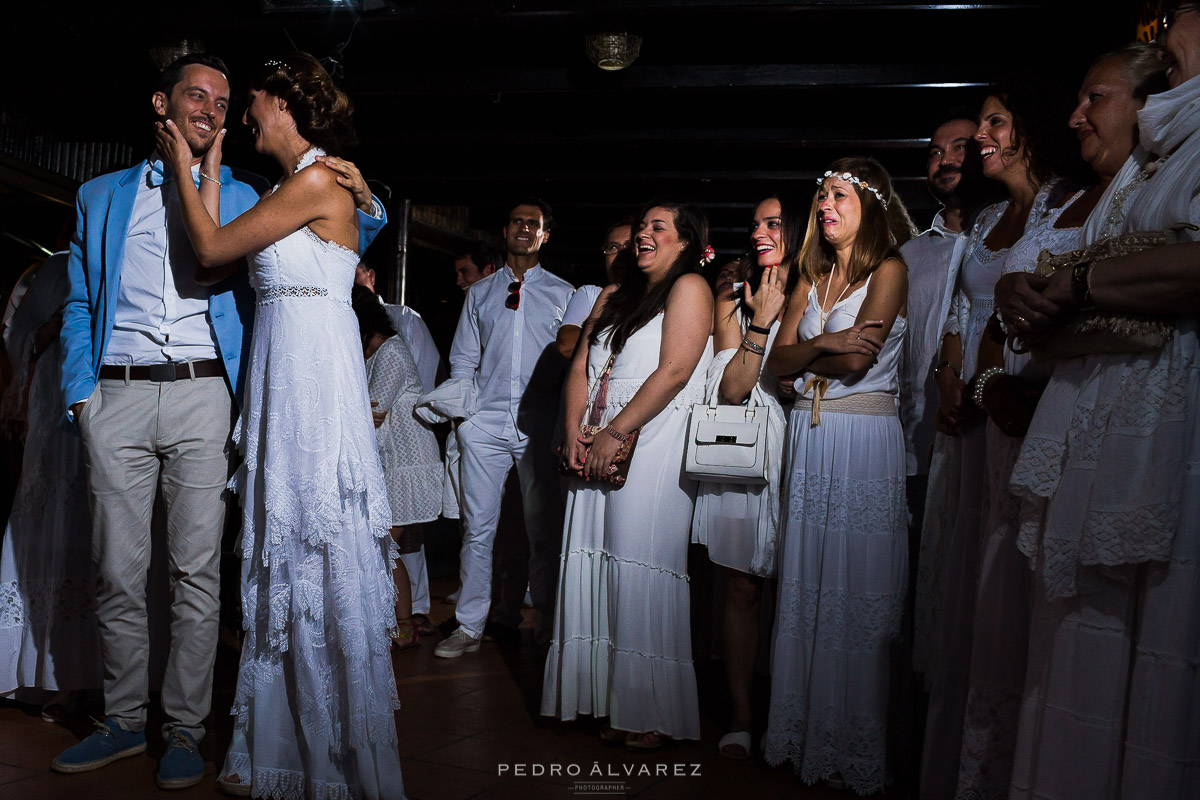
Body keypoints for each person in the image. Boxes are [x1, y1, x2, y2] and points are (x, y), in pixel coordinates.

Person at [52, 52, 381, 791]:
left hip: (207, 395)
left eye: (226, 101)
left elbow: (336, 231)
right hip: (119, 396)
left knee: (198, 571)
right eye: (196, 96)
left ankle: (183, 730)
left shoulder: (242, 189)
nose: (213, 110)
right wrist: (83, 397)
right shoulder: (99, 195)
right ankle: (122, 719)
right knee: (116, 570)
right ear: (160, 103)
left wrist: (372, 196)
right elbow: (79, 300)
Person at [150, 51, 403, 798]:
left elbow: (209, 250)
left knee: (313, 554)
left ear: (282, 103)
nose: (242, 115)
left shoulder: (320, 180)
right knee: (286, 559)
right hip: (285, 378)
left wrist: (192, 165)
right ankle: (279, 747)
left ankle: (327, 757)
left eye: (251, 102)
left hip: (312, 390)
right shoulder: (310, 181)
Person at [996, 22, 1200, 798]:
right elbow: (1085, 273)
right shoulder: (1137, 174)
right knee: (1076, 649)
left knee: (1150, 650)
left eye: (1095, 98)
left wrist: (1077, 284)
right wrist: (1028, 295)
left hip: (1166, 426)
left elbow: (1128, 275)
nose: (1077, 114)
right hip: (1098, 419)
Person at [916, 83, 1084, 799]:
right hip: (971, 426)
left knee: (1014, 580)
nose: (980, 136)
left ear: (1028, 131)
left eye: (994, 123)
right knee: (970, 589)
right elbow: (961, 309)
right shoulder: (986, 217)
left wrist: (991, 387)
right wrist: (952, 378)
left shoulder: (1074, 207)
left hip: (1025, 412)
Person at [762, 157, 914, 794]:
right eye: (821, 196)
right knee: (809, 582)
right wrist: (828, 343)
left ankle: (853, 742)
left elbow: (863, 360)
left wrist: (815, 351)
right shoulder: (810, 275)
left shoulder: (891, 269)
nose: (825, 207)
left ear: (870, 206)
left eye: (839, 196)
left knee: (857, 583)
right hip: (813, 438)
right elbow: (778, 363)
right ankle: (802, 734)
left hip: (864, 438)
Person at [542, 199, 714, 751]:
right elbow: (582, 364)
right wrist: (573, 429)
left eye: (657, 228)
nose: (643, 235)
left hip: (652, 438)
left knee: (638, 560)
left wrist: (616, 432)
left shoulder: (690, 288)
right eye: (640, 227)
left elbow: (676, 370)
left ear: (685, 240)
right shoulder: (615, 296)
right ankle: (598, 697)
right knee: (595, 560)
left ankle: (649, 710)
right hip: (594, 437)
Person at [434, 198, 575, 657]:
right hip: (486, 423)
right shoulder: (481, 293)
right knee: (478, 529)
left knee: (541, 530)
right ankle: (469, 625)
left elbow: (574, 364)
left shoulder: (564, 293)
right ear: (505, 230)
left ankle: (550, 624)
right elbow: (463, 359)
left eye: (533, 223)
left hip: (538, 424)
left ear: (545, 235)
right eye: (517, 221)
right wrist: (465, 418)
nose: (524, 228)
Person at [690, 192, 801, 760]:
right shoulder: (731, 294)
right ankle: (740, 712)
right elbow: (731, 387)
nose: (761, 231)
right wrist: (760, 320)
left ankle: (794, 707)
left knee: (803, 585)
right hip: (744, 446)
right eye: (755, 222)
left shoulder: (820, 286)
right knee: (741, 585)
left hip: (807, 440)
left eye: (774, 223)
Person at [0, 251, 100, 717]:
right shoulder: (51, 270)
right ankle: (36, 670)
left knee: (90, 527)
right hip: (49, 399)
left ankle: (85, 675)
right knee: (47, 521)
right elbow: (18, 336)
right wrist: (54, 326)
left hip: (100, 397)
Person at [353, 259, 442, 636]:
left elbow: (373, 411)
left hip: (409, 466)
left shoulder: (390, 352)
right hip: (392, 464)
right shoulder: (372, 354)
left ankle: (403, 627)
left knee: (383, 549)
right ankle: (399, 626)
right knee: (384, 550)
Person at [555, 219, 632, 359]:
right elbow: (566, 345)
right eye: (613, 247)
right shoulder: (591, 294)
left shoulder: (660, 298)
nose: (621, 254)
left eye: (629, 246)